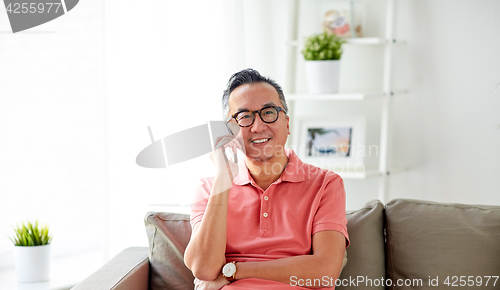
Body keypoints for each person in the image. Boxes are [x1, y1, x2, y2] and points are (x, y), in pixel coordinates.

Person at [184, 68, 349, 289]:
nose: (258, 126)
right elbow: (204, 268)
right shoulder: (209, 188)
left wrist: (232, 271)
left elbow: (325, 270)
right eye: (244, 117)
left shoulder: (326, 184)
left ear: (287, 124)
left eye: (269, 112)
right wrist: (223, 180)